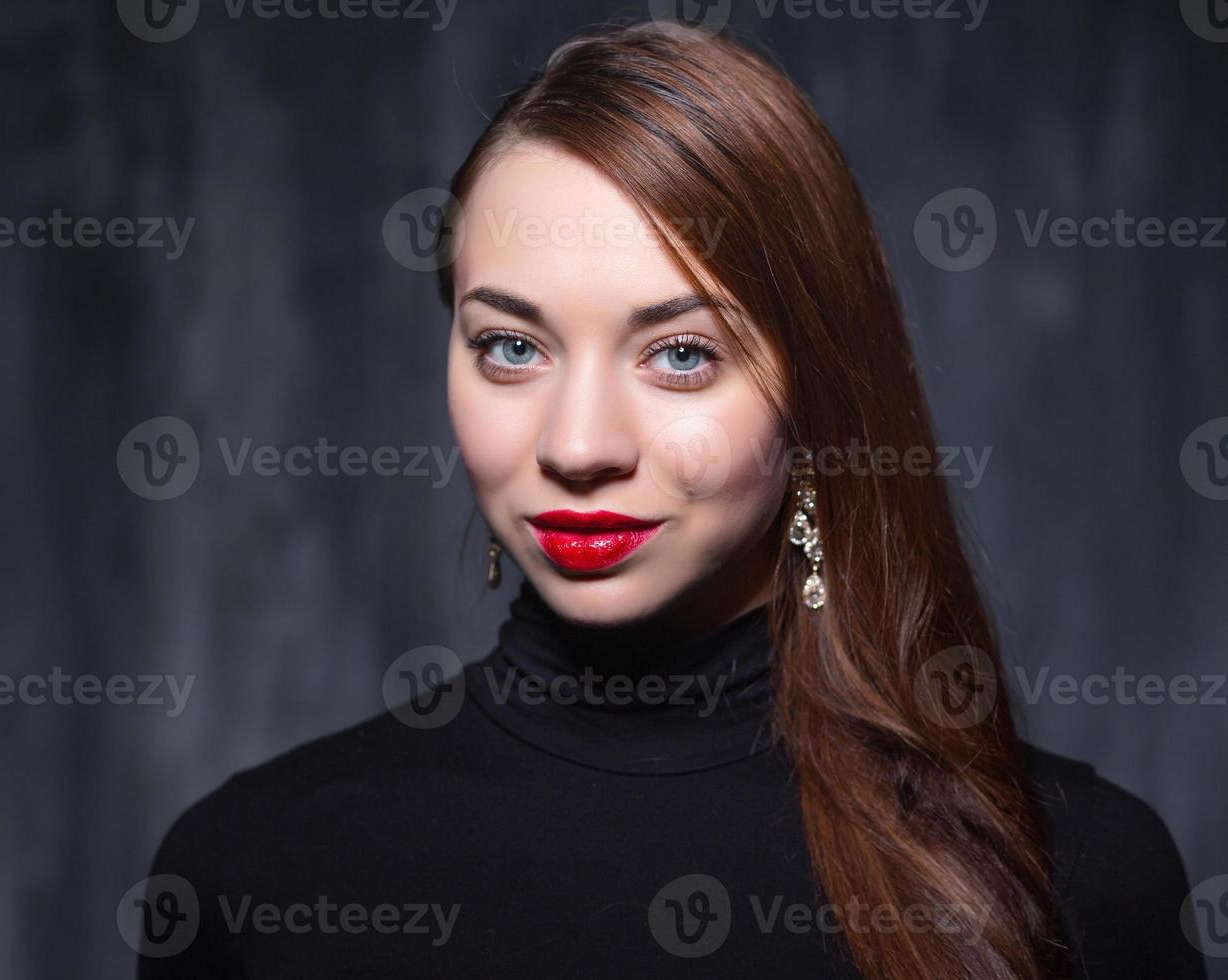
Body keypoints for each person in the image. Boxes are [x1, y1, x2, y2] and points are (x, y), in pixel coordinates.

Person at [135, 21, 1204, 979]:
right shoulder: (252, 875)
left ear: (817, 389)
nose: (579, 444)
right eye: (512, 346)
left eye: (681, 355)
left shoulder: (1076, 875)